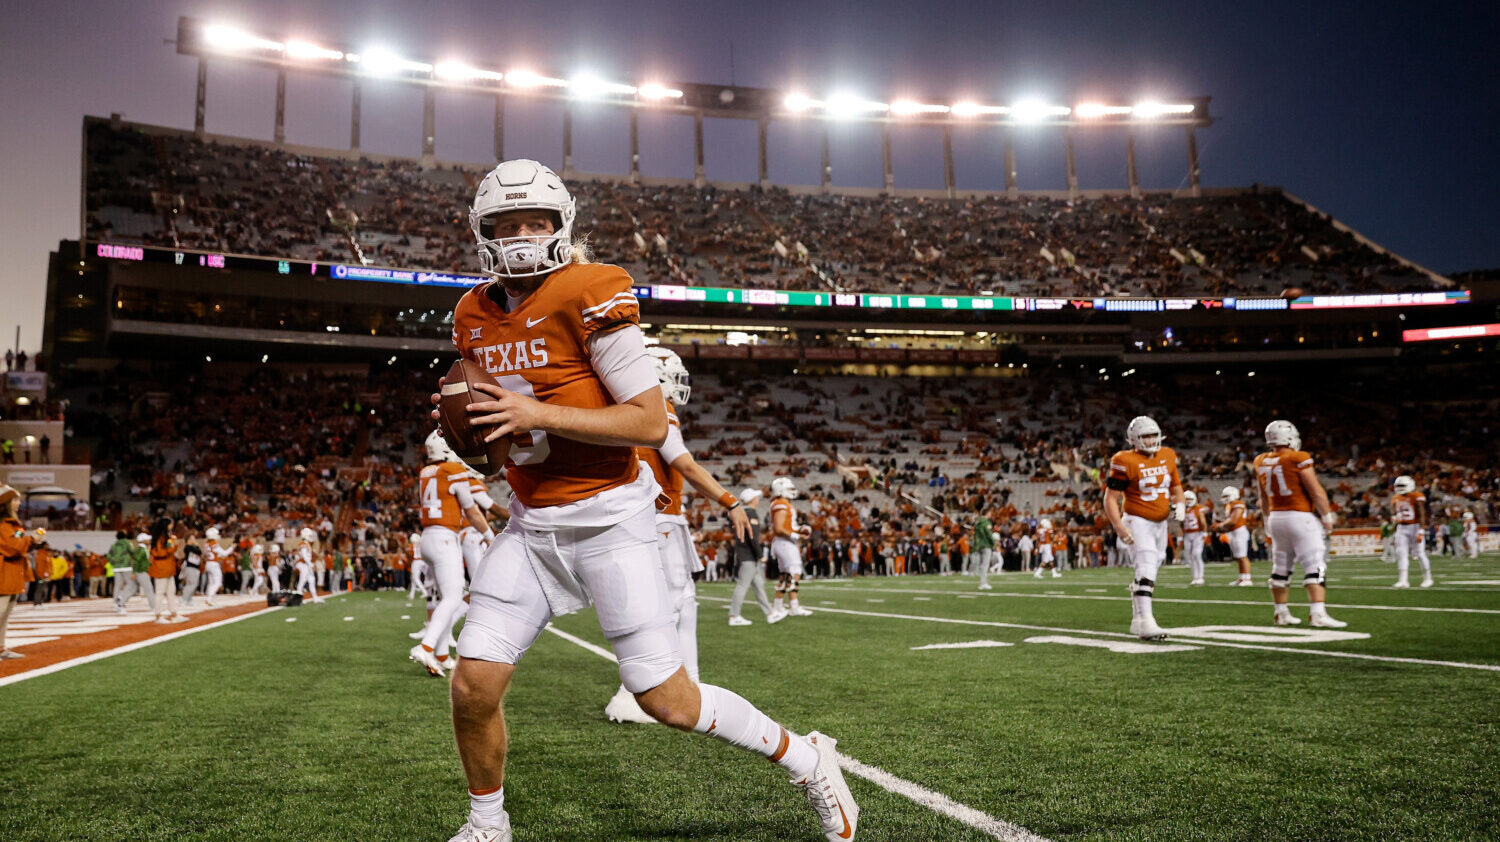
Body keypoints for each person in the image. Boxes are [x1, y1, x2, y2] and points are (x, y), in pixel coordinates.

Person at [436, 160, 857, 842]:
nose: (520, 235)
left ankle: (810, 760)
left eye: (534, 222)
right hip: (532, 525)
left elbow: (648, 424)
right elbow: (502, 429)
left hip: (610, 521)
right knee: (472, 687)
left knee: (666, 699)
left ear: (560, 226)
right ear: (482, 233)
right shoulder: (471, 314)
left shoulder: (593, 290)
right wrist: (468, 427)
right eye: (505, 224)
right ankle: (489, 824)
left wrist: (534, 416)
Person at [604, 346, 753, 723]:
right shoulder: (659, 411)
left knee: (681, 604)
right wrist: (730, 501)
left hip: (648, 518)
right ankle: (631, 696)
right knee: (670, 607)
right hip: (661, 521)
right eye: (674, 376)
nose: (679, 385)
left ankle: (690, 685)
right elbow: (684, 463)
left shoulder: (631, 410)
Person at [409, 431, 489, 676]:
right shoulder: (453, 469)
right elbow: (472, 511)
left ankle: (442, 654)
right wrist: (490, 536)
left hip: (428, 537)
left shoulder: (425, 471)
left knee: (447, 597)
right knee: (454, 596)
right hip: (445, 537)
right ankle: (426, 647)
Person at [1253, 421, 1346, 627]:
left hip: (1276, 517)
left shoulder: (1260, 460)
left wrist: (1267, 519)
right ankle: (1317, 613)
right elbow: (1315, 490)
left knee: (1280, 566)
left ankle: (1281, 613)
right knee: (1315, 564)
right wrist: (1327, 516)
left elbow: (1263, 496)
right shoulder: (1298, 458)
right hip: (1299, 516)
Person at [1103, 416, 1185, 640]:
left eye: (1154, 435)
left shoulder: (1168, 455)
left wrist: (1180, 505)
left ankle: (1139, 621)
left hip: (1160, 523)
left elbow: (1176, 486)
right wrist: (1119, 527)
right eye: (1146, 436)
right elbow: (1110, 499)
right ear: (1133, 439)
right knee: (1147, 566)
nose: (1151, 440)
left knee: (1152, 567)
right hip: (1138, 521)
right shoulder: (1124, 459)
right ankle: (1147, 622)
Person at [728, 488, 783, 626]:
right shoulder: (750, 513)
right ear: (752, 500)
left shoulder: (742, 512)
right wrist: (760, 555)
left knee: (759, 585)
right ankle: (734, 615)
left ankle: (770, 613)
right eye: (756, 497)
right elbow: (752, 538)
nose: (758, 499)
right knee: (742, 586)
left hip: (746, 554)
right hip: (748, 555)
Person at [1, 484, 38, 659]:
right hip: (4, 573)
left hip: (12, 573)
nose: (19, 503)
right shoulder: (3, 525)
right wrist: (31, 539)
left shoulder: (11, 524)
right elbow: (11, 547)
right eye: (15, 499)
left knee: (5, 614)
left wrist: (30, 541)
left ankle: (1, 648)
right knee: (1, 612)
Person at [768, 477, 814, 616]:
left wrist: (800, 529)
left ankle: (778, 605)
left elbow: (788, 526)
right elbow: (779, 528)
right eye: (789, 489)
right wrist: (796, 535)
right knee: (795, 572)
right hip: (784, 542)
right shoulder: (781, 503)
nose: (792, 491)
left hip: (783, 542)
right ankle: (794, 606)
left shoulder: (783, 503)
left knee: (785, 574)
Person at [1389, 475, 1433, 588]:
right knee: (1401, 553)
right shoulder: (1396, 498)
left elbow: (1421, 513)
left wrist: (1421, 530)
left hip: (1415, 526)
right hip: (1401, 527)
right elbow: (1394, 512)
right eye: (1398, 485)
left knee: (1420, 553)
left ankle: (1428, 578)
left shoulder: (1416, 496)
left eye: (1402, 485)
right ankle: (1403, 580)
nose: (1399, 488)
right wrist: (1394, 517)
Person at [147, 518, 186, 623]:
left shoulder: (165, 537)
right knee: (160, 592)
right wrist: (172, 546)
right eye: (170, 524)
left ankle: (174, 613)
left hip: (168, 568)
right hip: (161, 568)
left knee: (171, 592)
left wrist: (173, 545)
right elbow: (159, 553)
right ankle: (158, 616)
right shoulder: (160, 538)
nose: (172, 526)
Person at [1214, 487, 1253, 586]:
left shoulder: (1238, 503)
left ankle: (1247, 578)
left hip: (1239, 531)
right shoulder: (1229, 505)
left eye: (1226, 496)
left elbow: (1234, 520)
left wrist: (1220, 525)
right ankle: (1242, 578)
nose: (1224, 498)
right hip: (1233, 532)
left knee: (1243, 556)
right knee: (1238, 556)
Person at [1181, 490, 1208, 586]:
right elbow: (1181, 523)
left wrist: (1205, 533)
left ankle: (1200, 577)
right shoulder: (1182, 509)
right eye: (1186, 499)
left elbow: (1203, 521)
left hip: (1198, 533)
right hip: (1188, 534)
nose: (1188, 501)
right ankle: (1195, 577)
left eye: (1190, 499)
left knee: (1196, 554)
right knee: (1189, 556)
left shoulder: (1198, 508)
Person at [293, 528, 325, 604]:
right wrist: (310, 564)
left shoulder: (307, 544)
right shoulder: (303, 544)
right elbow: (304, 556)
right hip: (303, 564)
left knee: (312, 580)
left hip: (306, 564)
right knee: (303, 580)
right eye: (309, 535)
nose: (311, 536)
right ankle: (298, 599)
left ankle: (315, 597)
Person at [970, 508, 995, 591]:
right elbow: (988, 534)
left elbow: (975, 535)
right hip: (986, 545)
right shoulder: (986, 522)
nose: (991, 514)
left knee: (981, 565)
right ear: (987, 513)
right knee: (985, 565)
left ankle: (983, 582)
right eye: (990, 513)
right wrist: (994, 544)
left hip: (978, 545)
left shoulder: (977, 523)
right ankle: (983, 583)